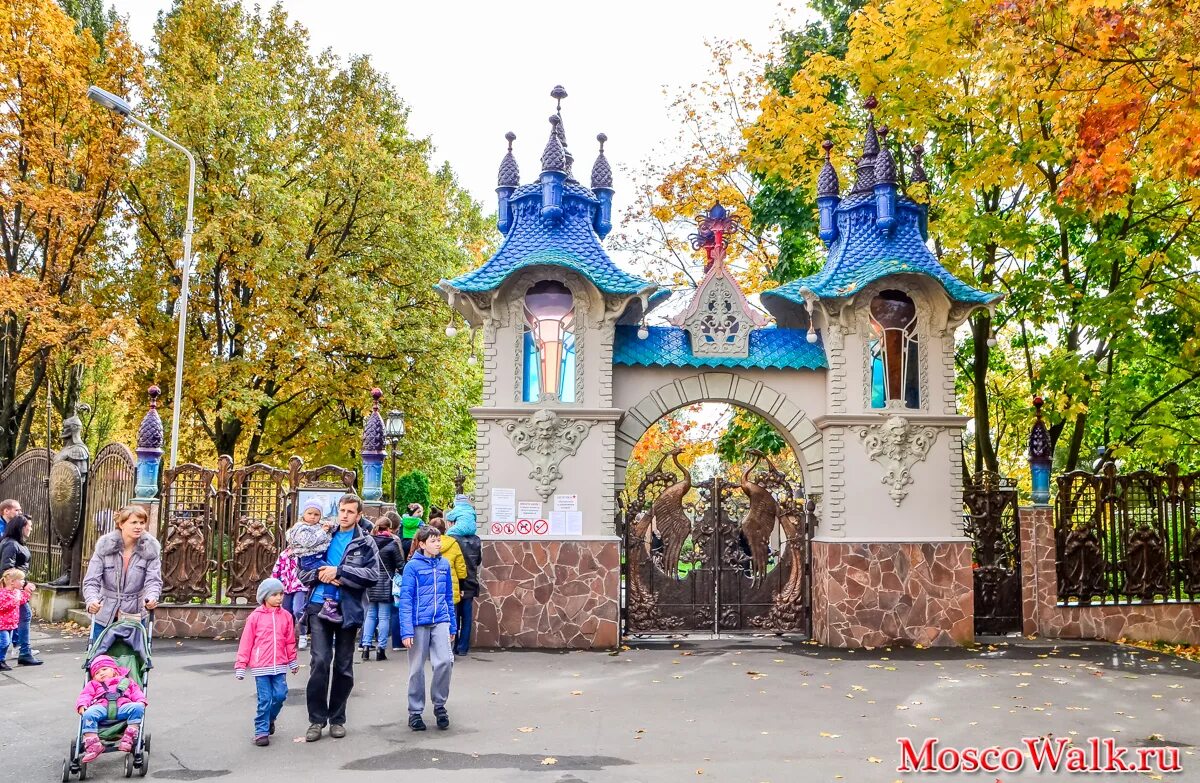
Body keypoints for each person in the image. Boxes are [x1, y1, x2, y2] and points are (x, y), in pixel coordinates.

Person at [298, 494, 379, 742]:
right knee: (320, 661)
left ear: (358, 515)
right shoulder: (323, 535)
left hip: (348, 608)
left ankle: (337, 719)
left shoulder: (365, 543)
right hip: (318, 605)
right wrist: (320, 574)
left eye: (350, 512)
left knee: (343, 666)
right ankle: (316, 720)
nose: (344, 515)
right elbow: (302, 569)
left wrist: (341, 572)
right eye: (342, 510)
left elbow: (372, 575)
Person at [398, 525, 457, 732]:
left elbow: (448, 597)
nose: (438, 544)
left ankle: (439, 705)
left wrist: (452, 625)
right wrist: (405, 630)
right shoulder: (412, 567)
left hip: (440, 620)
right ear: (422, 544)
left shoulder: (444, 565)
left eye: (438, 540)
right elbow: (406, 599)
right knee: (416, 669)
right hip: (417, 623)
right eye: (433, 541)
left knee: (445, 661)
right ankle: (415, 712)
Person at [81, 505, 162, 644]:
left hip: (134, 614)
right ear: (121, 524)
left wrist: (151, 597)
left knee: (133, 661)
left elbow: (153, 581)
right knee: (100, 660)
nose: (139, 526)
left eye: (142, 523)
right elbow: (91, 581)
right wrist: (91, 601)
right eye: (134, 522)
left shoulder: (150, 550)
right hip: (105, 613)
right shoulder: (105, 548)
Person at [235, 577, 299, 746]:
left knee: (280, 695)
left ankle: (270, 718)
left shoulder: (286, 616)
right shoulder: (255, 617)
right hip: (261, 666)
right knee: (265, 699)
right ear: (265, 596)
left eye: (281, 594)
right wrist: (241, 665)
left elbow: (289, 640)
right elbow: (246, 641)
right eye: (275, 595)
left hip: (280, 665)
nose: (279, 598)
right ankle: (261, 730)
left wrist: (292, 660)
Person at [76, 653, 147, 762]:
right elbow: (86, 695)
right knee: (88, 713)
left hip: (123, 707)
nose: (101, 673)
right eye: (97, 673)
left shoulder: (126, 681)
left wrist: (141, 701)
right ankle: (94, 745)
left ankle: (129, 736)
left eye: (104, 669)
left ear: (114, 670)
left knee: (138, 707)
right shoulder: (93, 684)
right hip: (101, 708)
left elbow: (136, 692)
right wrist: (82, 705)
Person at [445, 495, 483, 656]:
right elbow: (478, 561)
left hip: (455, 583)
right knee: (467, 617)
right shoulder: (476, 540)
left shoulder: (451, 539)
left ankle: (452, 646)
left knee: (453, 615)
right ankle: (463, 648)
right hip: (470, 582)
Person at [287, 501, 337, 623]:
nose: (313, 517)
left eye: (316, 514)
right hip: (309, 559)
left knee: (318, 582)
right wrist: (323, 531)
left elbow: (333, 530)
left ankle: (306, 609)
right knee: (331, 575)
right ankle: (329, 604)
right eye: (309, 513)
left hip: (317, 557)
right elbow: (309, 541)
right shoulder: (300, 528)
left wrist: (330, 526)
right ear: (303, 514)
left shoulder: (318, 526)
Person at [0, 513, 41, 665]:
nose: (31, 529)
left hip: (15, 588)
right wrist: (23, 585)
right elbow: (7, 569)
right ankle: (23, 651)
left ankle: (23, 650)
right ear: (22, 527)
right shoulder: (11, 544)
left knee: (22, 617)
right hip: (11, 590)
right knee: (23, 616)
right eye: (29, 526)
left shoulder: (16, 543)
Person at [361, 518, 402, 661]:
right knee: (384, 617)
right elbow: (400, 565)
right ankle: (380, 649)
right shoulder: (392, 544)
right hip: (386, 583)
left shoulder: (368, 542)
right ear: (389, 529)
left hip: (370, 582)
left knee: (370, 615)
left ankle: (365, 647)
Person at [270, 541, 307, 650]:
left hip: (300, 586)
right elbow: (276, 571)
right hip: (286, 587)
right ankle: (288, 637)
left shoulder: (304, 553)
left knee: (298, 610)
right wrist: (274, 584)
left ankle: (303, 634)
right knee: (286, 612)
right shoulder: (284, 554)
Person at [0, 567, 32, 671]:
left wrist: (28, 591)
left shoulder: (17, 592)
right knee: (4, 642)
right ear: (12, 582)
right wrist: (14, 601)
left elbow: (23, 600)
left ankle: (2, 660)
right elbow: (2, 606)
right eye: (21, 580)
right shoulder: (3, 593)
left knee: (6, 643)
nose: (23, 582)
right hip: (2, 623)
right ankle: (1, 660)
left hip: (11, 624)